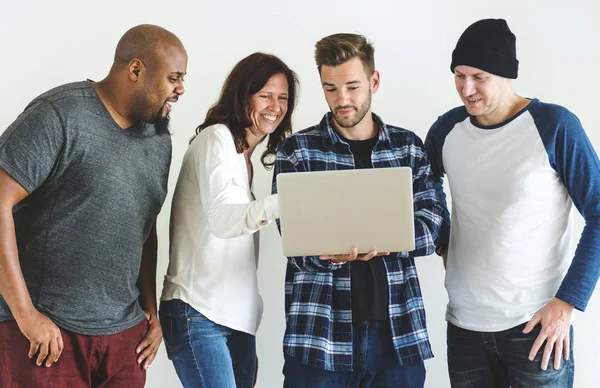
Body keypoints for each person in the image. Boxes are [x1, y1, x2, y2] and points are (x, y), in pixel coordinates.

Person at [0, 24, 187, 387]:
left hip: (124, 339)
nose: (181, 89)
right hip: (46, 336)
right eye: (174, 77)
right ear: (136, 70)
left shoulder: (158, 140)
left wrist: (148, 308)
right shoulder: (59, 114)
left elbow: (143, 228)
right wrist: (25, 314)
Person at [425, 18, 600, 388]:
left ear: (507, 74)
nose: (466, 88)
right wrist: (444, 238)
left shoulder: (555, 126)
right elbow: (422, 190)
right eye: (459, 75)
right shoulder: (447, 130)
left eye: (479, 76)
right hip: (464, 327)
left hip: (536, 329)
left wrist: (568, 302)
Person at [272, 33, 443, 388]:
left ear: (374, 81)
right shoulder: (297, 151)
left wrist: (385, 241)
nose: (342, 99)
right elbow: (292, 242)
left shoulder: (407, 148)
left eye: (352, 86)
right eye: (330, 88)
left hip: (397, 335)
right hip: (319, 336)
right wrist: (325, 253)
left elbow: (433, 227)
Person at [159, 52, 299, 388]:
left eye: (282, 98)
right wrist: (295, 198)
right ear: (242, 94)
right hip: (198, 312)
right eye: (264, 95)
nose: (275, 106)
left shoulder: (244, 159)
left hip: (237, 321)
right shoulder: (216, 139)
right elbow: (224, 221)